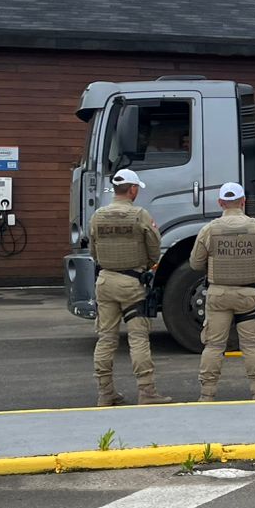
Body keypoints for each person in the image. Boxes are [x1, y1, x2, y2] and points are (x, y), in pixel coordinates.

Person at [87, 168, 174, 406]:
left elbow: (93, 250)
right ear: (133, 189)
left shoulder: (97, 216)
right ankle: (146, 392)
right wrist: (145, 266)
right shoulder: (140, 215)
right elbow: (154, 248)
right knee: (138, 338)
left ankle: (105, 393)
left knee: (105, 338)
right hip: (131, 283)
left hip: (104, 281)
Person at [189, 181, 255, 401]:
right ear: (243, 202)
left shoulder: (209, 229)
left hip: (218, 296)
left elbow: (195, 263)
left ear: (220, 203)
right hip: (249, 296)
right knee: (251, 345)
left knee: (213, 345)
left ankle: (207, 394)